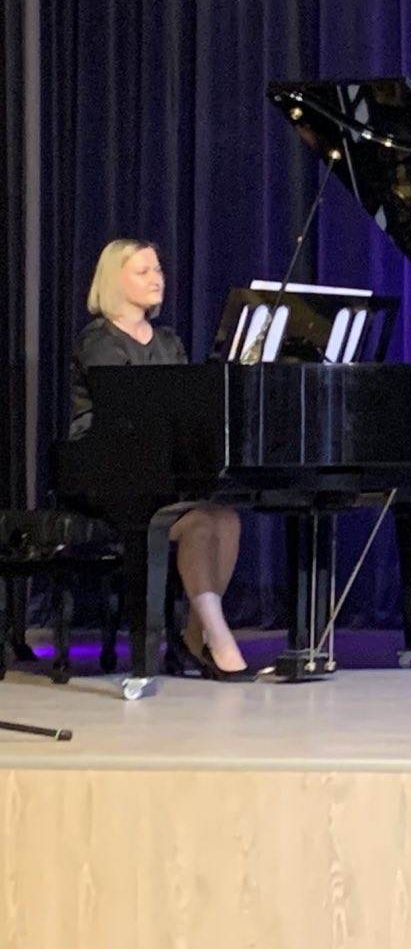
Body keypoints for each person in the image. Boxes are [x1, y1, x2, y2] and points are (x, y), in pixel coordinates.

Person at [68, 238, 250, 681]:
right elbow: (128, 411)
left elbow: (185, 409)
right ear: (115, 280)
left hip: (164, 466)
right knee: (201, 524)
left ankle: (193, 637)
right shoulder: (98, 341)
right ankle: (218, 639)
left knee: (226, 519)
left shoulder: (169, 341)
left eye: (159, 270)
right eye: (144, 271)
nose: (157, 279)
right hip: (109, 471)